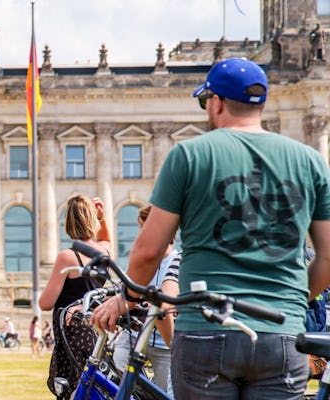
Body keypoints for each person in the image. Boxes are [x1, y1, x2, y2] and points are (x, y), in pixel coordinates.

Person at [91, 57, 330, 399]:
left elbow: (148, 250)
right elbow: (328, 257)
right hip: (280, 334)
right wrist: (287, 299)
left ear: (216, 102)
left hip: (205, 332)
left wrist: (126, 299)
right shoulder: (311, 161)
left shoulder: (190, 155)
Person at [38, 195, 110, 398]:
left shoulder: (67, 257)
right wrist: (102, 218)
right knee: (96, 388)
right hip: (96, 333)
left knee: (73, 390)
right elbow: (106, 240)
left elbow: (46, 303)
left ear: (68, 222)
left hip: (73, 336)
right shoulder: (103, 253)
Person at [106, 205, 179, 395]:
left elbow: (168, 302)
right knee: (117, 367)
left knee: (162, 393)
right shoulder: (142, 263)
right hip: (134, 335)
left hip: (164, 344)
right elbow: (123, 290)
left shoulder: (177, 262)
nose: (140, 234)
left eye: (144, 228)